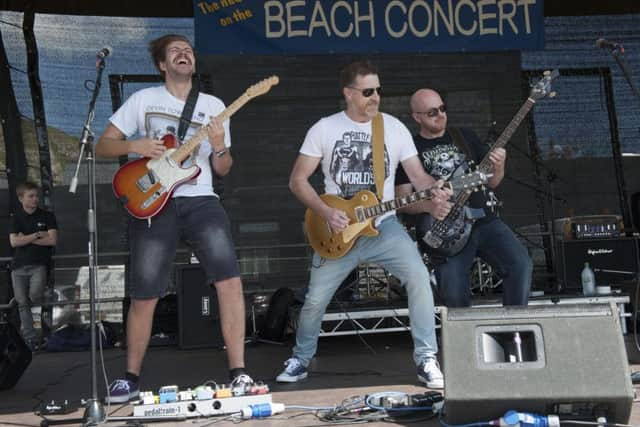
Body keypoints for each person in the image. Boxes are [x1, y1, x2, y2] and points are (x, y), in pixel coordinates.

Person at [95, 34, 252, 403]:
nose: (184, 54)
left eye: (189, 51)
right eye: (175, 52)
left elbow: (223, 168)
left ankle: (239, 372)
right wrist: (135, 146)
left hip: (201, 200)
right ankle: (130, 378)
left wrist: (218, 145)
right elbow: (102, 146)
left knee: (229, 281)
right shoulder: (143, 100)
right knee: (145, 293)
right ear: (162, 65)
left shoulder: (214, 105)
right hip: (154, 202)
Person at [276, 61, 452, 389]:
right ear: (349, 93)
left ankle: (426, 358)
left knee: (418, 278)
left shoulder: (394, 128)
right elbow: (297, 181)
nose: (376, 97)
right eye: (368, 91)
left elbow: (419, 177)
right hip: (336, 229)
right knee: (315, 299)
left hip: (383, 226)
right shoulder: (324, 129)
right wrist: (325, 212)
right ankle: (301, 358)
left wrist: (437, 190)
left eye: (378, 91)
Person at [395, 88, 532, 308]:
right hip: (446, 229)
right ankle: (463, 341)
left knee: (520, 264)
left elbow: (491, 182)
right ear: (417, 117)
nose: (441, 115)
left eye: (442, 108)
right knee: (454, 297)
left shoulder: (465, 136)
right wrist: (430, 207)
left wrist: (499, 166)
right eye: (432, 112)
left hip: (485, 221)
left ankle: (514, 330)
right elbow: (402, 200)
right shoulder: (410, 150)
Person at [8, 182, 58, 351]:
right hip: (18, 267)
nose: (35, 199)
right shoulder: (16, 218)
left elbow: (52, 240)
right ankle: (30, 339)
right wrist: (37, 235)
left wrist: (25, 238)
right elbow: (14, 242)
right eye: (31, 196)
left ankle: (38, 332)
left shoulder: (47, 216)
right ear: (21, 198)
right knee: (23, 303)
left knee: (34, 296)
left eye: (36, 195)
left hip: (38, 265)